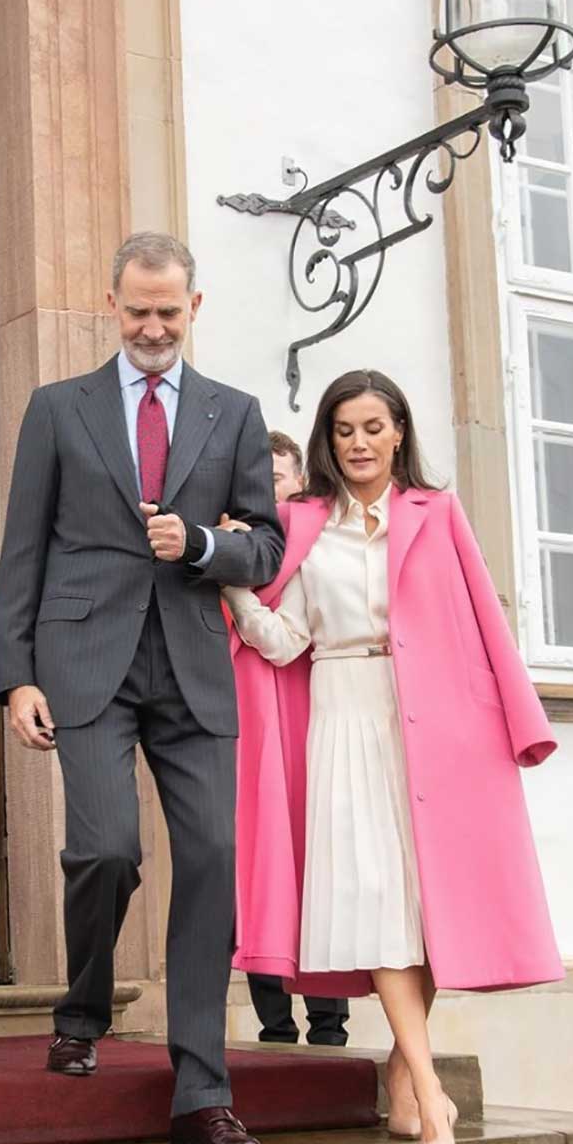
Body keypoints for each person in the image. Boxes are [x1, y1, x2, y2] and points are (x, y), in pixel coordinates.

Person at [0, 232, 284, 1144]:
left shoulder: (234, 414)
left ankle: (202, 1087)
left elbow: (267, 548)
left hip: (194, 665)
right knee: (107, 848)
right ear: (111, 306)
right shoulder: (56, 408)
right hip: (84, 660)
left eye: (169, 310)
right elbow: (21, 554)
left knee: (209, 858)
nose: (153, 327)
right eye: (137, 310)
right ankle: (82, 1001)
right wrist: (16, 676)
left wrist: (202, 546)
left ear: (195, 307)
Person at [224, 370, 562, 1144]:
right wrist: (233, 583)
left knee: (426, 906)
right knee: (377, 899)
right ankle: (428, 1090)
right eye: (345, 430)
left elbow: (483, 614)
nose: (360, 442)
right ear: (328, 443)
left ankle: (406, 1076)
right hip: (344, 718)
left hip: (441, 728)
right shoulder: (304, 525)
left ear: (399, 431)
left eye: (374, 426)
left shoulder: (437, 512)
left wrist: (520, 722)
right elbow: (283, 640)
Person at [249, 431, 350, 1048]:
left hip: (313, 710)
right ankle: (275, 1029)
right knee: (257, 866)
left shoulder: (319, 547)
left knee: (317, 863)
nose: (272, 494)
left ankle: (331, 1027)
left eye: (280, 479)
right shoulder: (225, 546)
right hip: (245, 717)